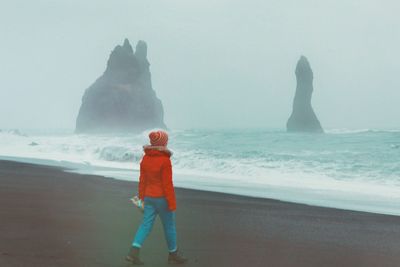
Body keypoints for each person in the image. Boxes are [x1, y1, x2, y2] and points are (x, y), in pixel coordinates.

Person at [126, 130, 188, 265]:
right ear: (163, 143)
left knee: (145, 225)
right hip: (162, 199)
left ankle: (133, 252)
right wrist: (171, 203)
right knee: (169, 226)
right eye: (166, 140)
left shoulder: (145, 159)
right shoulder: (165, 161)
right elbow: (167, 184)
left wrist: (141, 198)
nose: (167, 142)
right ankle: (173, 254)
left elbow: (142, 180)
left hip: (148, 197)